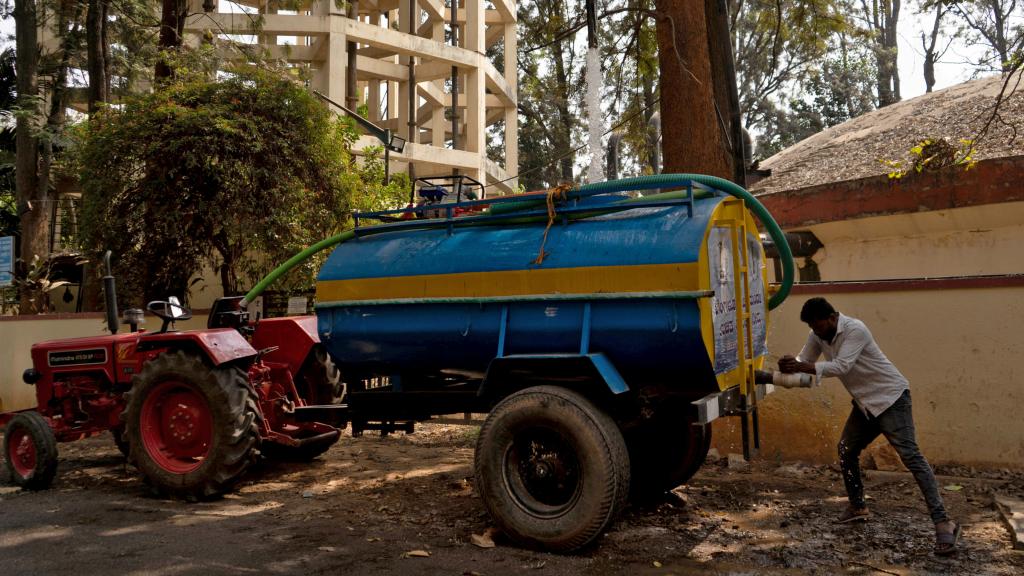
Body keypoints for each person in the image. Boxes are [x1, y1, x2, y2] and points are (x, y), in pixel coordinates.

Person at [777, 297, 960, 556]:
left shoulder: (855, 329)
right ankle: (858, 506)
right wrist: (789, 365)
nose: (816, 332)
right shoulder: (817, 334)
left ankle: (943, 522)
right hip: (865, 405)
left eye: (818, 326)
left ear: (832, 318)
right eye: (812, 328)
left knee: (911, 457)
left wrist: (801, 365)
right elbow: (804, 361)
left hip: (891, 399)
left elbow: (841, 366)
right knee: (846, 450)